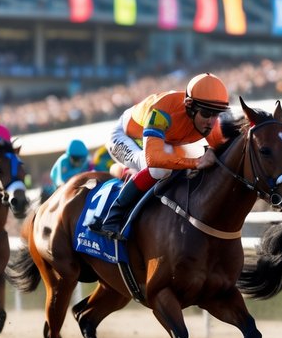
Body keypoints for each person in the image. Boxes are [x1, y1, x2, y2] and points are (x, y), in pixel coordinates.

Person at [90, 72, 228, 240]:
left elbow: (223, 151)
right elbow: (153, 159)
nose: (211, 122)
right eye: (206, 113)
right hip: (126, 137)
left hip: (162, 141)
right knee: (159, 170)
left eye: (216, 113)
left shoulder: (211, 122)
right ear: (190, 106)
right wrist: (196, 162)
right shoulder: (163, 111)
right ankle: (113, 215)